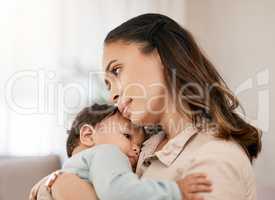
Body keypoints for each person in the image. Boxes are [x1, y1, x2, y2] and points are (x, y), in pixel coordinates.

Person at [32, 13, 262, 200]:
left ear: (162, 57)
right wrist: (58, 180)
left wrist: (62, 185)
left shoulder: (216, 158)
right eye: (108, 84)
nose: (112, 94)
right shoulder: (144, 148)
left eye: (116, 70)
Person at [30, 103, 212, 200]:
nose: (136, 148)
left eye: (140, 146)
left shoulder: (66, 172)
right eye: (127, 135)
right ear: (87, 135)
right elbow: (119, 192)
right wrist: (174, 191)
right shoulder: (107, 152)